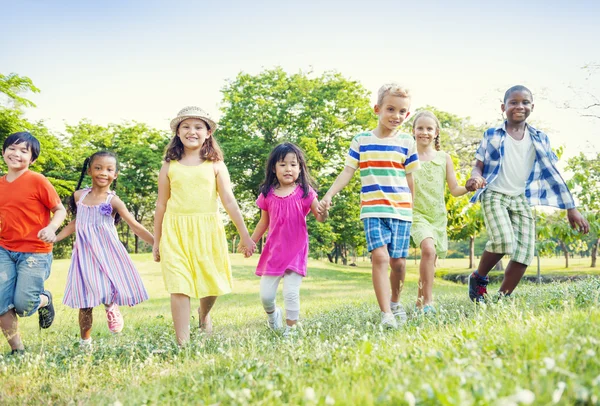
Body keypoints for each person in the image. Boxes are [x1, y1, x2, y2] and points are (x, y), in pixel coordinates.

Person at [465, 85, 589, 301]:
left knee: (524, 253)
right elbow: (479, 165)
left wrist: (572, 208)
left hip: (520, 198)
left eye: (525, 102)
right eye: (513, 102)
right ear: (503, 107)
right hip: (494, 193)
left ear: (532, 106)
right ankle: (478, 278)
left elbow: (553, 174)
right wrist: (476, 177)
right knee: (503, 240)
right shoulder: (492, 135)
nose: (519, 106)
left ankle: (502, 298)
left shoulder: (540, 138)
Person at [318, 83, 419, 329]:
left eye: (402, 112)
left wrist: (412, 206)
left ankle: (395, 302)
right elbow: (347, 171)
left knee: (399, 263)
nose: (396, 116)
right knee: (380, 258)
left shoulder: (407, 142)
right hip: (373, 210)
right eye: (391, 109)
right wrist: (329, 194)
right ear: (377, 109)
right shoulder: (361, 140)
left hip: (401, 210)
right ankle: (386, 314)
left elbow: (409, 178)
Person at [154, 106, 255, 345]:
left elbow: (229, 201)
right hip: (175, 231)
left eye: (198, 127)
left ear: (208, 132)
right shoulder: (169, 166)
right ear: (177, 133)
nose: (192, 131)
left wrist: (245, 236)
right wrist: (157, 241)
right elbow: (160, 205)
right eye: (186, 127)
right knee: (178, 285)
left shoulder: (216, 165)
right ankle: (183, 344)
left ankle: (204, 313)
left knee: (212, 281)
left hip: (207, 229)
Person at [56, 151, 153, 348]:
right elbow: (76, 222)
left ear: (115, 175)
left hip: (108, 252)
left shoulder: (113, 201)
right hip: (83, 254)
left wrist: (157, 244)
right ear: (90, 170)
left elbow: (135, 226)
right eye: (98, 168)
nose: (103, 173)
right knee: (85, 300)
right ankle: (85, 341)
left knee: (106, 288)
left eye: (109, 169)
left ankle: (111, 306)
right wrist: (55, 238)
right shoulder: (79, 196)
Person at [248, 143, 328, 337]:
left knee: (291, 293)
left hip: (296, 250)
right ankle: (274, 315)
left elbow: (320, 217)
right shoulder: (267, 194)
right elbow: (263, 222)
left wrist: (324, 211)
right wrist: (250, 241)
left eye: (293, 164)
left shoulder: (306, 192)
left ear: (300, 168)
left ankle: (291, 329)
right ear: (274, 169)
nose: (288, 169)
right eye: (283, 164)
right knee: (266, 296)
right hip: (274, 252)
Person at [0, 132, 66, 354]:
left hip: (35, 252)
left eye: (23, 151)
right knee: (0, 300)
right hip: (5, 250)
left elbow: (60, 210)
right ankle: (18, 350)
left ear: (32, 159)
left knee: (23, 306)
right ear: (3, 151)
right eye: (12, 148)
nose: (16, 153)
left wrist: (51, 228)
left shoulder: (37, 180)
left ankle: (44, 299)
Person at [410, 111, 469, 313]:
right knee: (428, 250)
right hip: (415, 215)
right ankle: (428, 302)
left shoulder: (444, 158)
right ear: (413, 131)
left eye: (429, 129)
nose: (424, 132)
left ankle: (419, 302)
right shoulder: (406, 157)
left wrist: (469, 187)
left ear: (436, 133)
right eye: (420, 128)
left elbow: (454, 189)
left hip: (437, 216)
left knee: (430, 260)